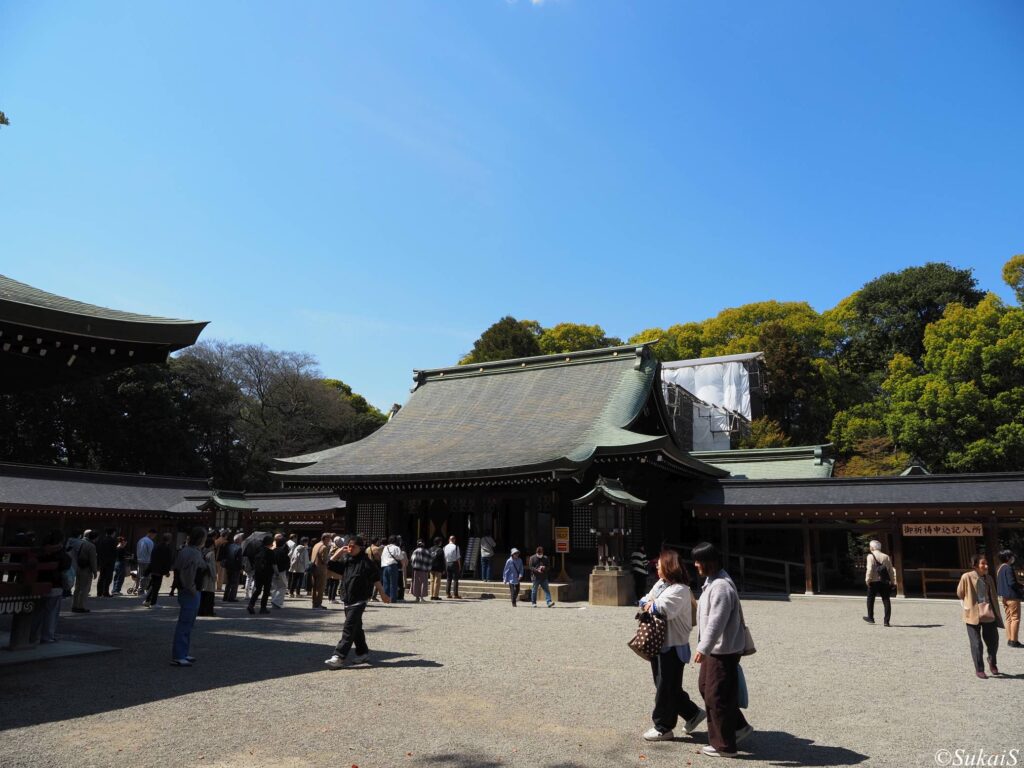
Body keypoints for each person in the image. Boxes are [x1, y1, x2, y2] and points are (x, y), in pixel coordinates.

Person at [692, 541, 753, 758]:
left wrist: (703, 647)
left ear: (710, 562)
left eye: (699, 561)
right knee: (707, 688)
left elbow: (716, 622)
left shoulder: (721, 587)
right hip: (715, 649)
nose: (696, 565)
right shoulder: (712, 581)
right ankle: (738, 726)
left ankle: (725, 746)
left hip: (722, 650)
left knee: (717, 695)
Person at [639, 549, 706, 742]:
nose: (657, 567)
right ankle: (692, 714)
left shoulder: (680, 590)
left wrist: (649, 603)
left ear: (668, 566)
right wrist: (649, 603)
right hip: (659, 642)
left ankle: (663, 727)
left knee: (666, 687)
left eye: (659, 564)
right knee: (667, 686)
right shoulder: (661, 585)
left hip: (673, 645)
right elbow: (644, 599)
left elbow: (660, 608)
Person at [324, 535, 390, 669]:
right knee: (356, 628)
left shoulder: (366, 563)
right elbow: (330, 565)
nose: (350, 548)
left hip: (359, 599)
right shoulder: (347, 560)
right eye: (349, 545)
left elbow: (376, 579)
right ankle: (362, 652)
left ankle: (339, 656)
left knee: (348, 628)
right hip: (347, 598)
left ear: (360, 547)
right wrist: (338, 553)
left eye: (353, 546)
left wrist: (382, 594)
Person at [957, 553, 1004, 678]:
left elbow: (993, 595)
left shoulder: (989, 578)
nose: (986, 566)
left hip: (989, 613)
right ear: (975, 565)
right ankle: (979, 668)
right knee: (976, 643)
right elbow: (960, 593)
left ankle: (992, 661)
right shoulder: (966, 577)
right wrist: (967, 604)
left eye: (986, 563)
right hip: (972, 613)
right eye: (983, 563)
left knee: (993, 641)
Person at [170, 526, 208, 666]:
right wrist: (191, 587)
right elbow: (187, 573)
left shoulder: (188, 551)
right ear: (200, 539)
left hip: (187, 589)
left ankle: (183, 652)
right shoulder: (192, 553)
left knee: (188, 622)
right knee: (185, 622)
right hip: (190, 590)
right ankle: (179, 654)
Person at [31, 530, 71, 644]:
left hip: (38, 582)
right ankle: (47, 636)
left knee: (37, 611)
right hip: (54, 583)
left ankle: (33, 634)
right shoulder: (59, 552)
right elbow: (66, 564)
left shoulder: (40, 551)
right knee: (51, 612)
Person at [863, 539, 896, 627]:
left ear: (872, 547)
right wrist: (892, 582)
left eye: (870, 546)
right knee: (886, 600)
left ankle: (871, 618)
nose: (869, 548)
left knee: (870, 599)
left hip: (873, 581)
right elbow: (891, 571)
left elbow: (869, 569)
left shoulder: (870, 556)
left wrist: (867, 580)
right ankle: (886, 621)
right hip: (884, 581)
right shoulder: (886, 556)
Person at [996, 550, 1023, 648]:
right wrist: (1021, 587)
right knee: (1015, 618)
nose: (1013, 558)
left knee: (1008, 618)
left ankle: (1009, 639)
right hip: (1012, 597)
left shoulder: (1000, 568)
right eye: (1011, 556)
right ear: (1008, 558)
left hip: (1004, 597)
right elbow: (1012, 583)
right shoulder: (1008, 568)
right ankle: (1014, 640)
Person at [248, 535, 276, 615]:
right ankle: (263, 608)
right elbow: (274, 564)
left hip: (258, 572)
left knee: (258, 590)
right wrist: (276, 573)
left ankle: (251, 605)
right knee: (266, 591)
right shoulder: (270, 552)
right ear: (270, 543)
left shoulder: (258, 550)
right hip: (267, 573)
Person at [72, 530, 98, 613]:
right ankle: (81, 606)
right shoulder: (91, 546)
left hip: (77, 567)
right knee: (84, 588)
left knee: (77, 588)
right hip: (86, 568)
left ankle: (74, 605)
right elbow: (93, 560)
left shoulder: (78, 542)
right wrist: (95, 571)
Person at [145, 534, 174, 608]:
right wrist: (167, 571)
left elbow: (152, 558)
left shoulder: (156, 546)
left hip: (154, 568)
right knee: (156, 587)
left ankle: (147, 600)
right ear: (169, 539)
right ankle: (153, 603)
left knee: (153, 585)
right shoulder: (166, 548)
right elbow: (167, 561)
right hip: (159, 570)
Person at [197, 533, 218, 617]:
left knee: (203, 595)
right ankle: (209, 611)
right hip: (209, 577)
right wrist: (214, 576)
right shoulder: (211, 553)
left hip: (202, 576)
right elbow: (212, 567)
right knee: (209, 595)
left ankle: (201, 610)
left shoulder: (202, 551)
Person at [309, 532, 331, 610]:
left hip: (314, 568)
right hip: (321, 569)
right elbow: (324, 560)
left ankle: (314, 603)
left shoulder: (316, 545)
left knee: (314, 587)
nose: (329, 540)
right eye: (329, 538)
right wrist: (329, 559)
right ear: (325, 538)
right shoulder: (324, 547)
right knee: (320, 587)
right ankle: (318, 604)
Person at [380, 535, 405, 603]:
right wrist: (403, 566)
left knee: (386, 583)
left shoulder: (385, 548)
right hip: (392, 566)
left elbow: (382, 557)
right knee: (393, 583)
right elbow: (401, 558)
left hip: (384, 567)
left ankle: (386, 598)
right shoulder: (396, 548)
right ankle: (393, 599)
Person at [95, 528, 117, 598]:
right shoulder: (112, 541)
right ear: (113, 533)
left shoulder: (102, 540)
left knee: (101, 576)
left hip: (102, 561)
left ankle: (99, 592)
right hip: (110, 561)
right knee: (108, 577)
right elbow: (114, 552)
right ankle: (105, 592)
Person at [223, 533, 244, 602]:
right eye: (241, 539)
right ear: (238, 540)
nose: (241, 541)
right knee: (235, 583)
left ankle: (225, 596)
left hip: (228, 566)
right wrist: (241, 568)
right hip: (235, 568)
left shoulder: (229, 546)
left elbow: (226, 556)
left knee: (228, 583)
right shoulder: (239, 548)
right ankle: (231, 597)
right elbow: (239, 560)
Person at [271, 533, 290, 609]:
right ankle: (277, 602)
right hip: (281, 571)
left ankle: (274, 600)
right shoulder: (283, 552)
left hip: (272, 571)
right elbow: (286, 562)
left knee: (274, 587)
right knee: (283, 586)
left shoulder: (273, 551)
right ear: (283, 544)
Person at [136, 529, 156, 597]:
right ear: (151, 534)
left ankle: (139, 589)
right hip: (147, 560)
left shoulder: (141, 540)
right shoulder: (150, 542)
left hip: (140, 559)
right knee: (146, 576)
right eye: (154, 535)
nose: (154, 537)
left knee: (141, 575)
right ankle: (141, 591)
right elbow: (151, 552)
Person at [429, 537, 446, 601]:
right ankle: (435, 596)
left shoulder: (430, 549)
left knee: (432, 581)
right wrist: (444, 569)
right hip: (438, 567)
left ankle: (431, 595)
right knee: (437, 582)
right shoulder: (440, 550)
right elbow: (442, 560)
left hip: (431, 567)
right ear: (439, 542)